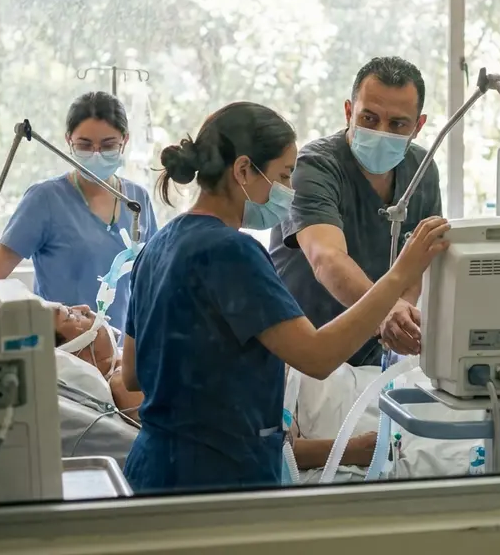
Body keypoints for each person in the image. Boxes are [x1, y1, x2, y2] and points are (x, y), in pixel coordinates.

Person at [121, 101, 449, 493]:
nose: (290, 192)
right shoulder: (231, 252)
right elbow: (318, 357)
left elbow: (134, 373)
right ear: (243, 170)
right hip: (216, 481)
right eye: (283, 176)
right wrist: (399, 277)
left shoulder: (158, 246)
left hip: (151, 471)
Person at [0, 91, 157, 334]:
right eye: (85, 145)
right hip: (63, 351)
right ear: (69, 141)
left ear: (125, 140)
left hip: (121, 352)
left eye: (108, 144)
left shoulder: (137, 200)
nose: (97, 154)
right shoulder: (46, 200)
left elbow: (152, 280)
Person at [269, 57, 441, 367]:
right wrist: (387, 312)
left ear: (418, 126)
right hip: (310, 356)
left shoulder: (422, 170)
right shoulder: (315, 167)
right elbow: (327, 259)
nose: (381, 131)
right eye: (369, 118)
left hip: (377, 358)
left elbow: (418, 258)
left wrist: (401, 316)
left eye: (398, 124)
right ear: (349, 112)